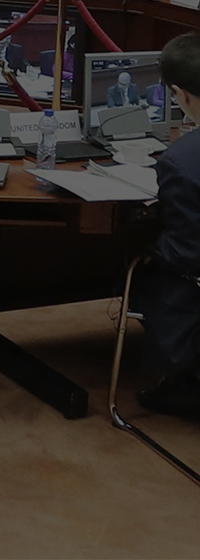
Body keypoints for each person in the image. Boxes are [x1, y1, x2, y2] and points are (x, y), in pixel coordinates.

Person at [132, 33, 200, 417]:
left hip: (192, 288)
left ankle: (185, 383)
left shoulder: (180, 161)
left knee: (138, 270)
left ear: (180, 95)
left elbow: (186, 254)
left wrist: (147, 248)